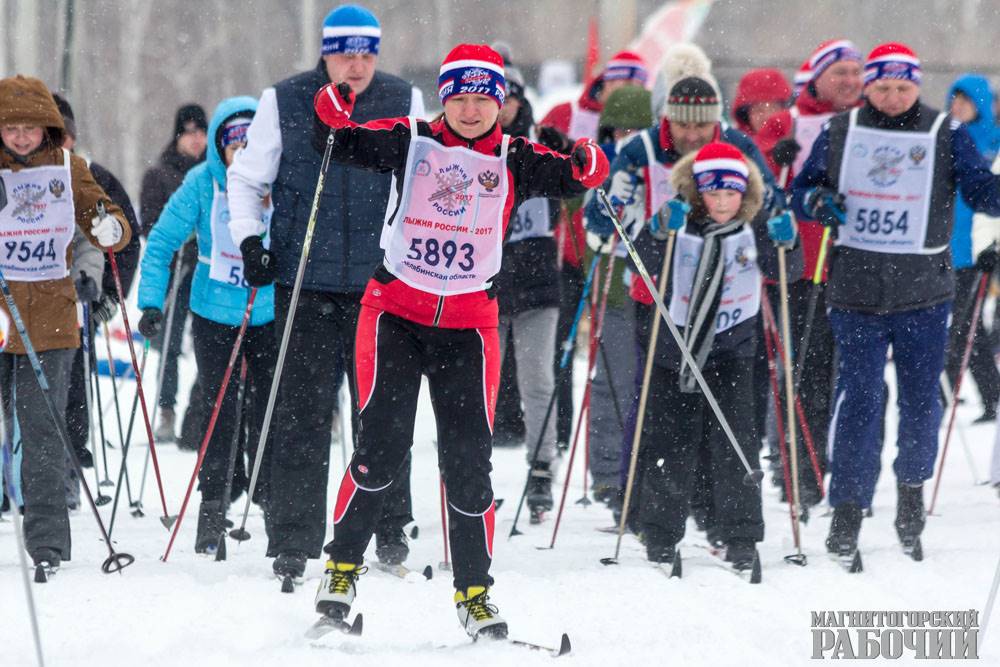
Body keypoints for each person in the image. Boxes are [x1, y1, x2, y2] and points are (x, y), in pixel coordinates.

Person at [308, 43, 608, 638]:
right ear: (445, 99)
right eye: (460, 98)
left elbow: (578, 176)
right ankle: (340, 570)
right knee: (382, 448)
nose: (471, 111)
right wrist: (334, 105)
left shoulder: (515, 156)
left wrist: (587, 160)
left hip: (468, 327)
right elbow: (338, 139)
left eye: (483, 99)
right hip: (394, 313)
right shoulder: (411, 137)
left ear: (500, 102)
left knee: (470, 461)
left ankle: (475, 593)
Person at [226, 4, 426, 581]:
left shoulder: (402, 100)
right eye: (346, 53)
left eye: (367, 54)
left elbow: (422, 180)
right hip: (304, 281)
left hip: (379, 285)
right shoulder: (284, 99)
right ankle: (293, 537)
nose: (357, 66)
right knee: (302, 414)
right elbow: (247, 179)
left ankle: (388, 526)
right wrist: (248, 242)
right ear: (326, 51)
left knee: (381, 413)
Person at [792, 42, 1000, 558]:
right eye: (881, 87)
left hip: (923, 293)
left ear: (917, 85)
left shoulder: (943, 132)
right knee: (860, 401)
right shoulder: (840, 131)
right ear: (867, 87)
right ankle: (847, 510)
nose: (891, 97)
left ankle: (911, 493)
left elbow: (979, 190)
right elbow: (804, 189)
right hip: (855, 291)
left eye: (902, 88)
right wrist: (818, 200)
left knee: (920, 402)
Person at [632, 142, 799, 570]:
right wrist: (655, 231)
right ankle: (661, 534)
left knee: (736, 443)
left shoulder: (754, 225)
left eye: (732, 194)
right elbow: (641, 262)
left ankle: (741, 535)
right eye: (714, 193)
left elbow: (788, 271)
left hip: (732, 349)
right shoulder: (680, 221)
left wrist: (790, 241)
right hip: (676, 349)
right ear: (696, 190)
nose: (724, 202)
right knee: (672, 443)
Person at [0, 75, 132, 572]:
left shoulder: (67, 167)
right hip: (2, 309)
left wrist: (107, 228)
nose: (20, 137)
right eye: (11, 128)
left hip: (53, 316)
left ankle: (48, 544)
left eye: (30, 128)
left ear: (48, 128)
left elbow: (112, 221)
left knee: (43, 430)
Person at [138, 96, 276, 554]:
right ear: (220, 146)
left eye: (248, 142)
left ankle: (275, 509)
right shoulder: (202, 182)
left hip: (269, 314)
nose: (240, 151)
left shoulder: (282, 179)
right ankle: (212, 510)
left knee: (270, 412)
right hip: (215, 314)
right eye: (232, 142)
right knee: (219, 411)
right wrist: (151, 303)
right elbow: (159, 244)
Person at [755, 39, 866, 506]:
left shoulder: (870, 121)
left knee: (852, 374)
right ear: (817, 77)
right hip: (801, 265)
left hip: (856, 260)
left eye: (856, 72)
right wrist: (773, 158)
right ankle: (798, 463)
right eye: (839, 72)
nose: (850, 81)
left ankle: (843, 463)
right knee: (804, 370)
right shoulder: (791, 120)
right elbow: (752, 175)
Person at [540, 51, 648, 451]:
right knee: (564, 348)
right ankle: (563, 433)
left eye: (636, 85)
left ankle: (622, 447)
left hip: (614, 260)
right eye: (621, 83)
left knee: (615, 355)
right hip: (569, 250)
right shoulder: (568, 111)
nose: (626, 92)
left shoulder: (640, 131)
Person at [52, 92, 142, 508]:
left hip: (77, 297)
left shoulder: (93, 175)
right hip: (21, 297)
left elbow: (124, 240)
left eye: (61, 138)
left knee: (72, 388)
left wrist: (107, 296)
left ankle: (67, 468)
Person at [494, 64, 573, 519]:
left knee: (538, 379)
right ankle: (471, 468)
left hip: (538, 283)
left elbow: (574, 191)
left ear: (520, 102)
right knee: (478, 385)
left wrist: (566, 160)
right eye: (496, 99)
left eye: (509, 100)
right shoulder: (472, 143)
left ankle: (542, 466)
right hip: (484, 284)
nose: (501, 109)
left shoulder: (540, 144)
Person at [140, 103, 207, 444]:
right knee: (169, 342)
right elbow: (151, 225)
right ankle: (166, 409)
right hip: (176, 271)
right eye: (189, 132)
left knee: (209, 342)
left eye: (201, 132)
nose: (196, 139)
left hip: (208, 270)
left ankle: (202, 410)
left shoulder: (217, 170)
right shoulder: (161, 174)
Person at [945, 74, 1000, 423]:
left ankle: (990, 395)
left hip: (977, 251)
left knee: (968, 328)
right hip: (945, 248)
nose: (958, 107)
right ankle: (947, 392)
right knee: (953, 327)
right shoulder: (947, 139)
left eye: (966, 101)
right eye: (955, 99)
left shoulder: (992, 141)